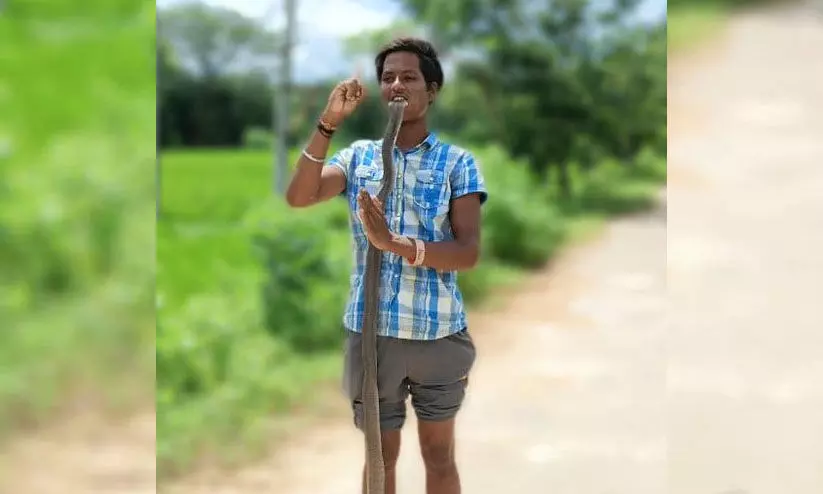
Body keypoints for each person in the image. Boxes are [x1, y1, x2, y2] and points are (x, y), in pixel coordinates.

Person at [285, 37, 488, 494]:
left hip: (438, 334)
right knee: (380, 457)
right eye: (388, 77)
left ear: (431, 90)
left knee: (439, 456)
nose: (397, 85)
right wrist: (329, 121)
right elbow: (299, 196)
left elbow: (467, 251)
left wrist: (394, 244)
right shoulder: (359, 157)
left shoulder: (457, 163)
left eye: (409, 77)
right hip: (372, 337)